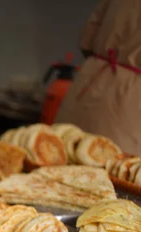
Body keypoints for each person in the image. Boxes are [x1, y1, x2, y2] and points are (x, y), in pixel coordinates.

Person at [55, 0, 141, 154]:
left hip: (90, 82)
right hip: (131, 108)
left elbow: (87, 39)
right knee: (115, 172)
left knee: (54, 161)